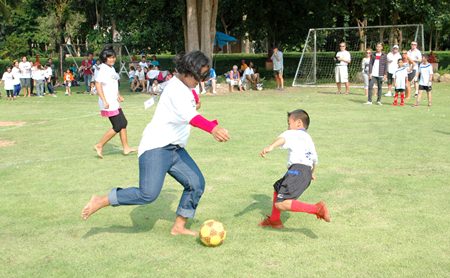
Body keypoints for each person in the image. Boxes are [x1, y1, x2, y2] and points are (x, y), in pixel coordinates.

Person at [81, 50, 230, 237]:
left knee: (196, 183)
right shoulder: (175, 89)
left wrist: (200, 107)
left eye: (205, 76)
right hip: (156, 148)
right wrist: (213, 128)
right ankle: (101, 200)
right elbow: (192, 117)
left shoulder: (188, 86)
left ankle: (179, 226)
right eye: (200, 76)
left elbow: (192, 104)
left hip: (175, 149)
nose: (201, 80)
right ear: (186, 72)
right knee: (148, 194)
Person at [258, 109, 330, 229]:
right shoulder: (308, 138)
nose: (288, 126)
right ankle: (275, 220)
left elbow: (282, 139)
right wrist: (311, 173)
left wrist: (271, 146)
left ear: (299, 123)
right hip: (305, 172)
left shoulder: (293, 133)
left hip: (297, 170)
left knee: (280, 204)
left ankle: (316, 209)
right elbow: (314, 159)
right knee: (278, 187)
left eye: (289, 123)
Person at [93, 48, 136, 159]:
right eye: (109, 57)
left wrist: (118, 95)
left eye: (113, 57)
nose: (112, 59)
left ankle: (126, 148)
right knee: (118, 125)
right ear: (105, 58)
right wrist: (104, 100)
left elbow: (113, 84)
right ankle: (99, 145)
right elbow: (98, 84)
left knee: (123, 123)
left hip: (113, 100)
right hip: (108, 102)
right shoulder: (103, 69)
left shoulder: (111, 68)